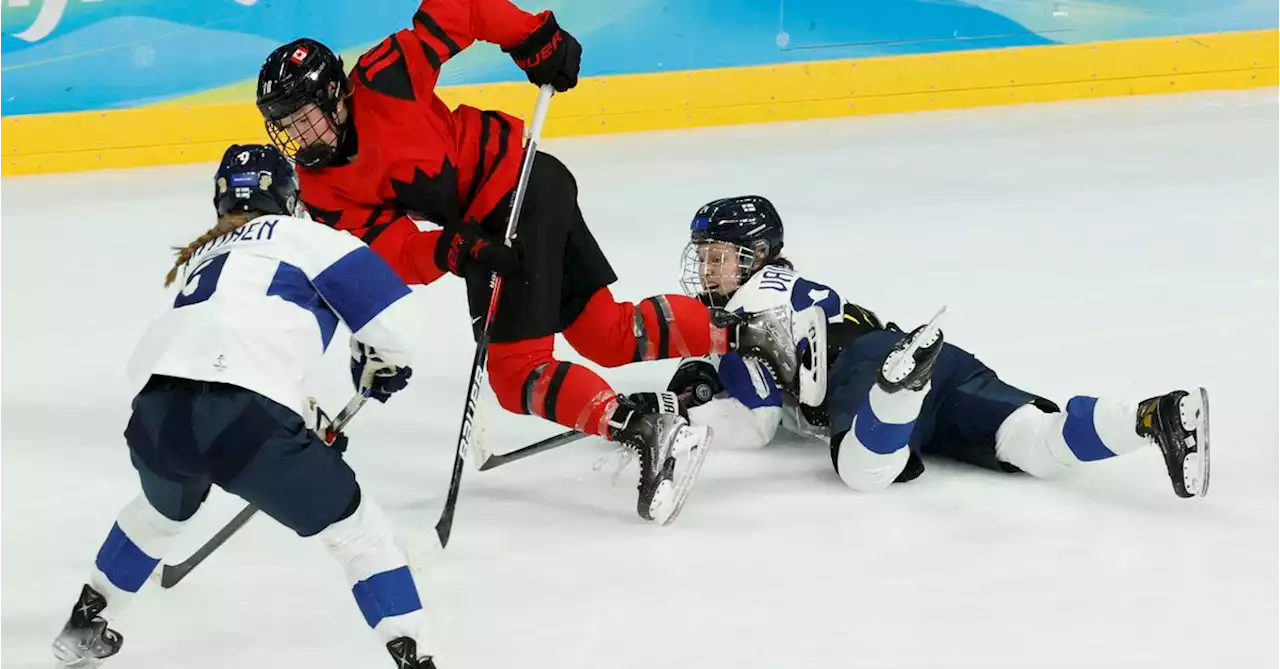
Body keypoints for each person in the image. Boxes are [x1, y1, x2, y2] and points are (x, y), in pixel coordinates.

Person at [251, 2, 774, 522]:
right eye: (286, 126)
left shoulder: (385, 74)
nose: (298, 137)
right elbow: (394, 254)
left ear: (335, 97)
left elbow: (463, 8)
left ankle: (647, 431)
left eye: (304, 118)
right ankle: (754, 336)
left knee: (516, 374)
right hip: (508, 211)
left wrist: (534, 39)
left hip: (519, 192)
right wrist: (452, 250)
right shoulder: (322, 187)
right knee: (604, 334)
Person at [49, 145, 441, 669]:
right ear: (288, 195)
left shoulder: (204, 254)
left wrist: (300, 421)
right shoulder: (309, 237)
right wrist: (380, 366)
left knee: (160, 511)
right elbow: (398, 329)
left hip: (156, 418)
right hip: (248, 423)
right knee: (359, 533)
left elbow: (229, 347)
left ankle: (87, 621)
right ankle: (415, 654)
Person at [665, 195, 1210, 498]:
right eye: (706, 257)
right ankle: (1150, 418)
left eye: (720, 257)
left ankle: (899, 394)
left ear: (756, 254)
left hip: (866, 367)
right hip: (912, 352)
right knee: (1035, 444)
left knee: (863, 472)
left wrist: (679, 415)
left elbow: (757, 426)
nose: (709, 270)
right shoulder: (792, 285)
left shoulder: (741, 314)